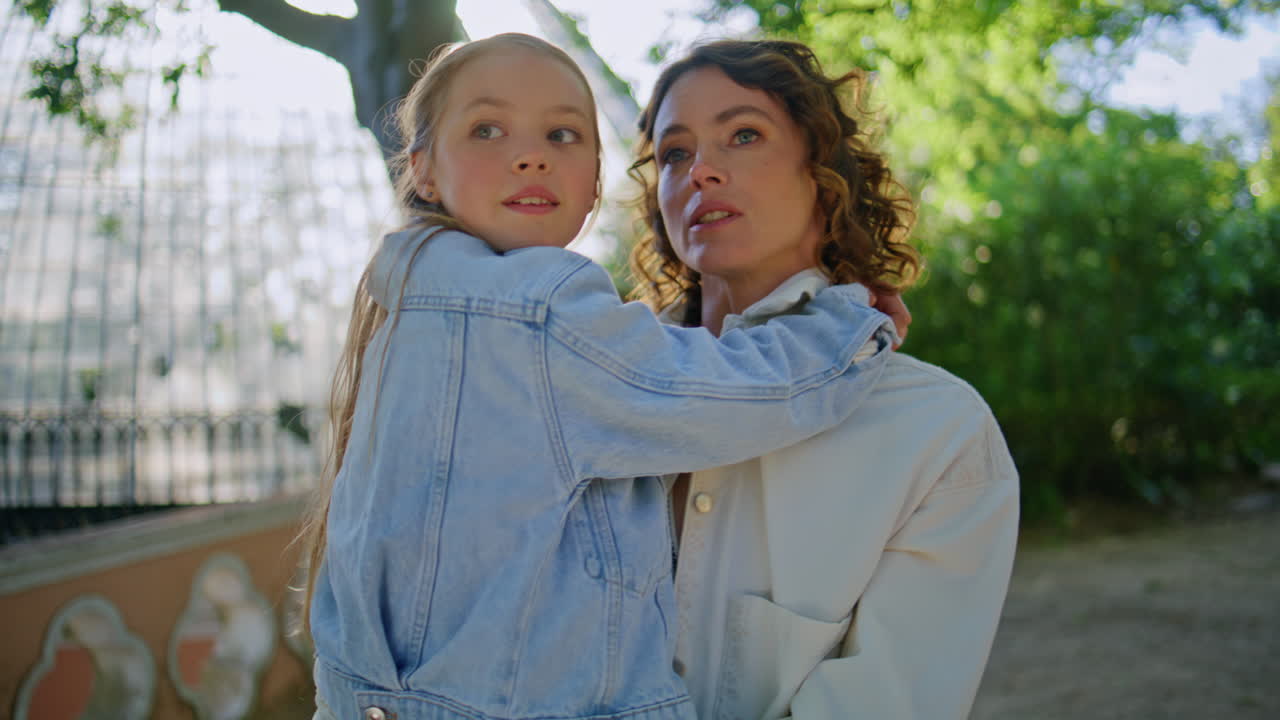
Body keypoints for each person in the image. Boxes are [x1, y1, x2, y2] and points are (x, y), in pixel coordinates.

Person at [302, 33, 902, 720]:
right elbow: (747, 393)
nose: (529, 155)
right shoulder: (537, 313)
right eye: (487, 129)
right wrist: (846, 327)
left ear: (593, 185)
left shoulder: (405, 306)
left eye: (561, 134)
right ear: (424, 169)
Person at [628, 39, 1020, 719]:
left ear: (823, 171)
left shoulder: (937, 435)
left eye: (743, 134)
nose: (701, 172)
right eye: (674, 153)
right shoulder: (592, 398)